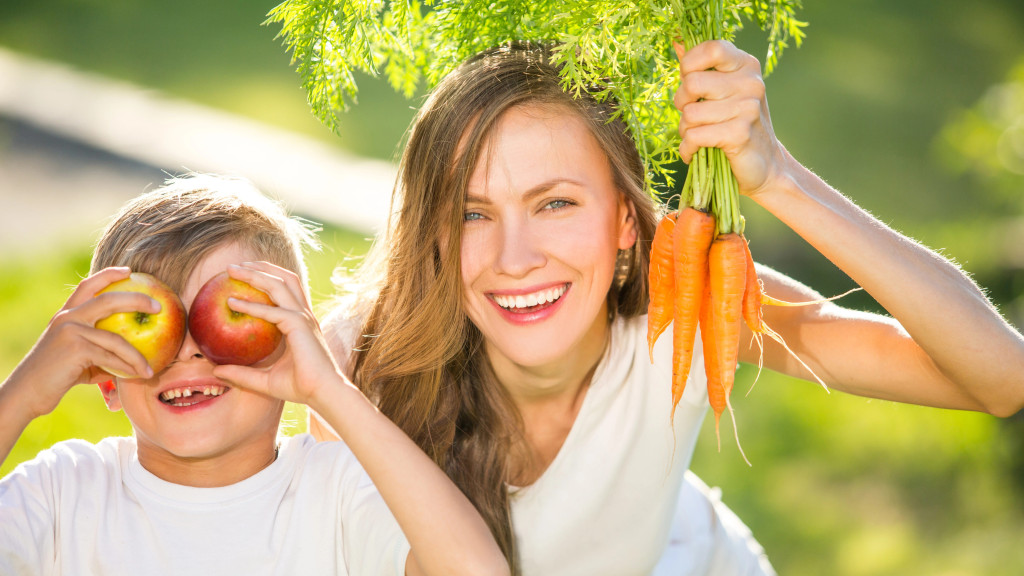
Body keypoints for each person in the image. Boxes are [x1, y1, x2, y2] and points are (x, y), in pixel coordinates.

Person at [311, 41, 1024, 575]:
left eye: (555, 203)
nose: (514, 257)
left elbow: (1000, 376)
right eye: (473, 214)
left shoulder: (689, 303)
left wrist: (778, 177)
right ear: (433, 232)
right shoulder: (358, 376)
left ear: (626, 220)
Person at [0, 174, 510, 576]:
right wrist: (22, 394)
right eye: (153, 326)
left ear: (291, 344)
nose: (189, 352)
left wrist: (328, 389)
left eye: (226, 317)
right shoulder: (63, 494)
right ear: (106, 375)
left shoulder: (336, 491)